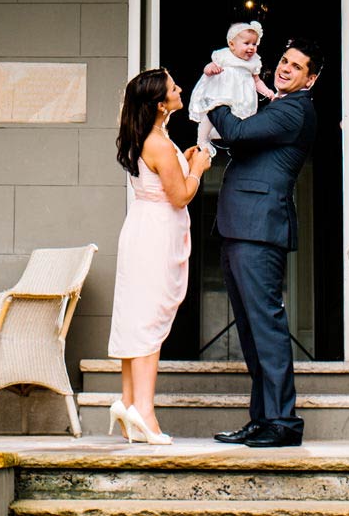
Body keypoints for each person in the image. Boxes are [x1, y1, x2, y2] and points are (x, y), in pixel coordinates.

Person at [206, 39, 321, 448]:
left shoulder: (293, 109)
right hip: (242, 227)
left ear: (312, 77)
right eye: (284, 61)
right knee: (253, 332)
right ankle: (262, 418)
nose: (286, 69)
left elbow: (235, 130)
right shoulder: (278, 105)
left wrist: (211, 99)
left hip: (258, 229)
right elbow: (240, 141)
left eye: (297, 66)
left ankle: (283, 422)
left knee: (267, 328)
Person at [106, 67, 211, 444]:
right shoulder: (158, 143)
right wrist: (197, 169)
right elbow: (180, 195)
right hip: (154, 235)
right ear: (160, 104)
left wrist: (182, 162)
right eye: (173, 87)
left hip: (141, 228)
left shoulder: (147, 137)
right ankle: (145, 413)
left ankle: (129, 401)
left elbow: (161, 177)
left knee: (137, 316)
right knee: (149, 320)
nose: (180, 89)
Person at [188, 19, 276, 156]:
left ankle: (235, 145)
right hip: (223, 92)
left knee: (241, 122)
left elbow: (257, 81)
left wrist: (268, 92)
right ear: (232, 44)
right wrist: (211, 69)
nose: (251, 47)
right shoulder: (223, 55)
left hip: (243, 97)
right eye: (246, 43)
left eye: (254, 44)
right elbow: (207, 68)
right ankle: (203, 138)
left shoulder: (254, 61)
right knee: (211, 114)